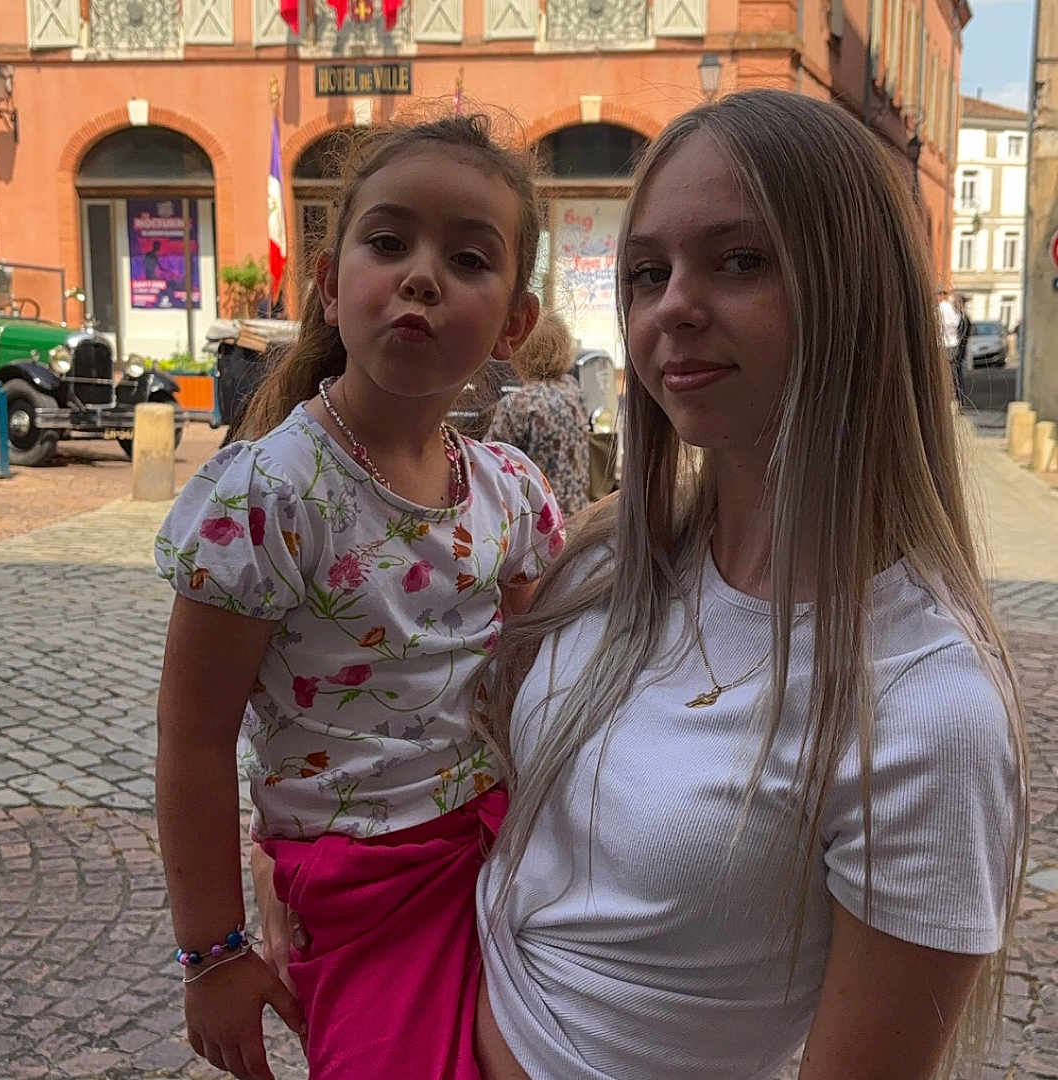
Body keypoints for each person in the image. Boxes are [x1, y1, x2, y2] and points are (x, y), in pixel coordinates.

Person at [257, 91, 1027, 1080]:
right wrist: (307, 840)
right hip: (425, 1021)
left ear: (859, 291)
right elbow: (412, 704)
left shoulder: (926, 707)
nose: (674, 306)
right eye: (648, 273)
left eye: (741, 260)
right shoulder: (604, 553)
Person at [154, 113, 564, 1080]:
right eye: (389, 243)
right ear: (332, 286)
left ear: (514, 323)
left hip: (506, 855)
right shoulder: (269, 496)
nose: (422, 275)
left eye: (468, 258)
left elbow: (552, 675)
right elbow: (194, 736)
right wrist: (212, 953)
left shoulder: (511, 490)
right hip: (361, 887)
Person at [484, 309, 590, 516]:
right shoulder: (572, 390)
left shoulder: (519, 404)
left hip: (539, 526)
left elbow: (488, 469)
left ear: (523, 351)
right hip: (576, 515)